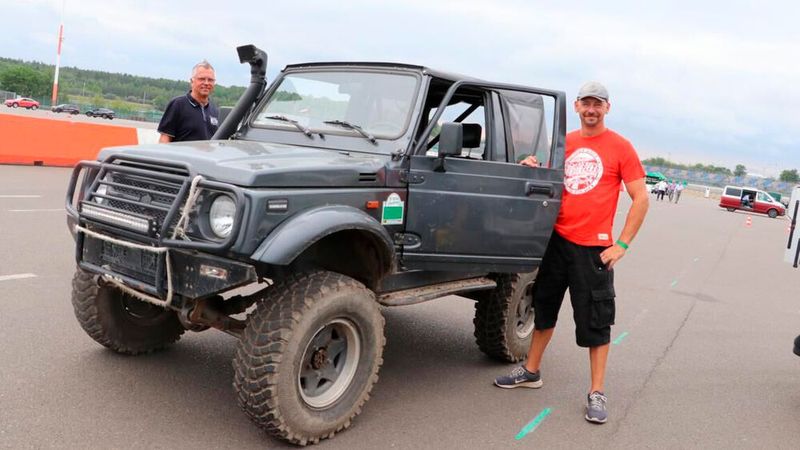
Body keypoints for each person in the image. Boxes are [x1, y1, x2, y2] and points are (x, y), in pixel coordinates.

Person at [494, 81, 649, 425]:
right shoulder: (565, 144)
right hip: (557, 242)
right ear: (576, 106)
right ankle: (531, 371)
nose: (592, 109)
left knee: (596, 321)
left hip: (594, 250)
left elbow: (641, 197)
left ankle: (596, 391)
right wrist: (532, 165)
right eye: (586, 103)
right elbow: (548, 182)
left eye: (598, 104)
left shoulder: (621, 147)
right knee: (543, 309)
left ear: (608, 108)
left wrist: (621, 244)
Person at [158, 60, 220, 142]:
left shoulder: (215, 111)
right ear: (192, 81)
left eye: (210, 80)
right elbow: (165, 138)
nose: (206, 83)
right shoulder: (178, 104)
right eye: (202, 79)